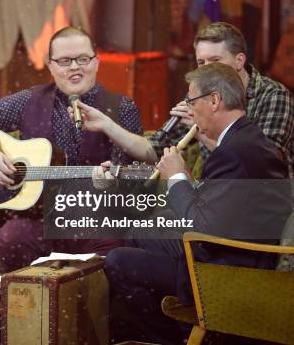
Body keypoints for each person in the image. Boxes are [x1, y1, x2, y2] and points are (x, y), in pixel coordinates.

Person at [104, 63, 291, 344]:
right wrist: (186, 183)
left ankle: (167, 337)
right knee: (141, 229)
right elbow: (222, 208)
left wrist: (176, 177)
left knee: (118, 259)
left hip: (227, 271)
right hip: (238, 252)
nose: (190, 110)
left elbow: (202, 228)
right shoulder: (249, 139)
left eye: (192, 101)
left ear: (214, 100)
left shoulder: (235, 152)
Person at [0, 26, 143, 272]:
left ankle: (84, 307)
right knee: (12, 238)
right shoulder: (28, 101)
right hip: (40, 218)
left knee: (114, 244)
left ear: (97, 62)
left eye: (83, 59)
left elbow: (130, 174)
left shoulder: (122, 108)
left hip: (94, 219)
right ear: (51, 66)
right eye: (65, 61)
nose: (75, 67)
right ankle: (30, 306)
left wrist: (110, 185)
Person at [74, 22, 293, 176]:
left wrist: (202, 130)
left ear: (239, 60)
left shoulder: (274, 96)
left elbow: (259, 168)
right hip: (213, 198)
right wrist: (105, 124)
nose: (207, 70)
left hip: (263, 209)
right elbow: (154, 149)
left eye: (215, 61)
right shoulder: (198, 93)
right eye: (201, 63)